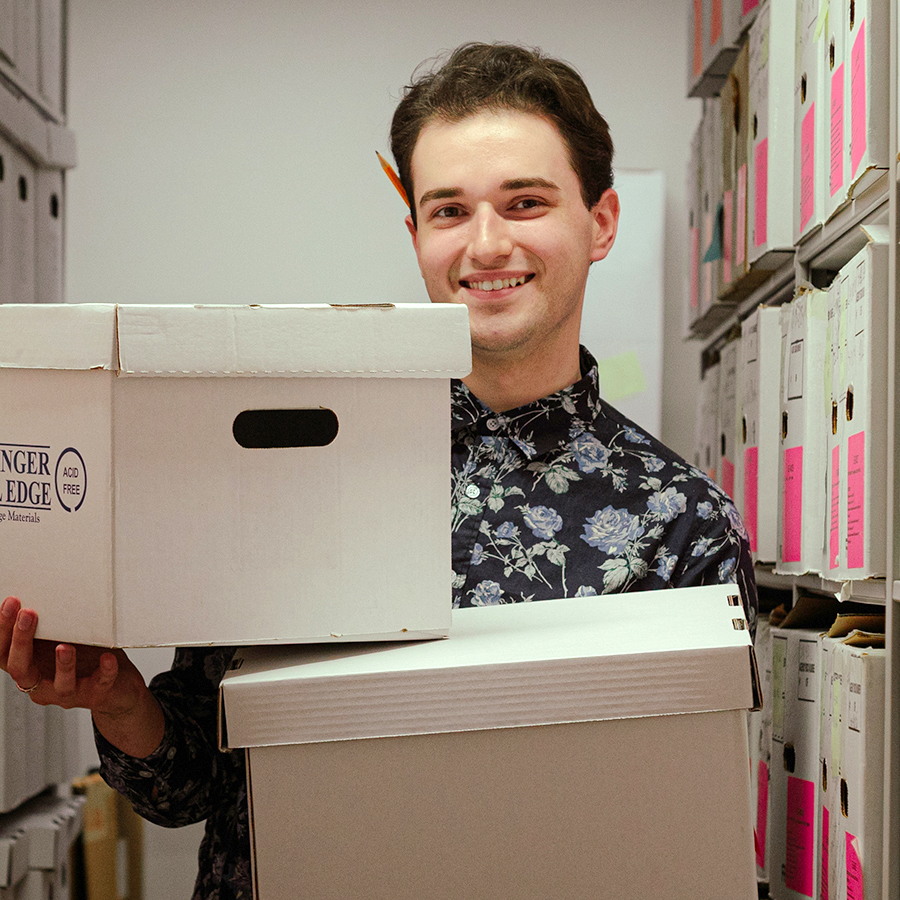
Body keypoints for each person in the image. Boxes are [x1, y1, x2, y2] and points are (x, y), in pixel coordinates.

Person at [1, 42, 756, 900]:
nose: (487, 243)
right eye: (448, 210)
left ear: (602, 221)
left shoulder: (682, 523)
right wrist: (116, 696)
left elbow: (690, 831)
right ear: (416, 235)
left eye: (526, 202)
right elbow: (193, 786)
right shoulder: (286, 458)